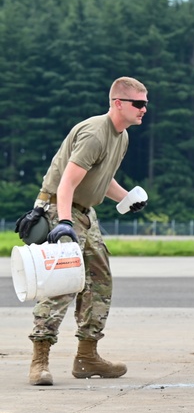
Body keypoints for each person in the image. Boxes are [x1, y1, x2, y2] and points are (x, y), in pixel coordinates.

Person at [26, 77, 149, 386]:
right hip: (59, 208)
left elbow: (100, 177)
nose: (144, 109)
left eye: (146, 104)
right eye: (138, 103)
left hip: (84, 212)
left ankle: (87, 356)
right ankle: (39, 359)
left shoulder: (121, 137)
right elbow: (67, 181)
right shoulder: (96, 132)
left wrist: (125, 198)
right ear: (118, 103)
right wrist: (64, 223)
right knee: (62, 280)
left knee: (99, 280)